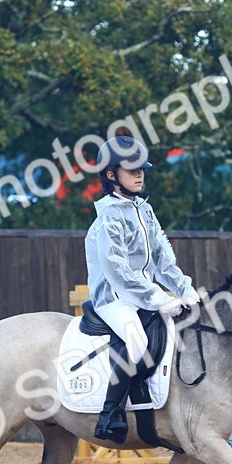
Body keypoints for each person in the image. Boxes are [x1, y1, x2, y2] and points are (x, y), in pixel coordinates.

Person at [84, 135, 201, 443]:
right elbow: (118, 271)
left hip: (143, 296)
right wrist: (159, 299)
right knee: (136, 339)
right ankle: (109, 416)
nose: (140, 175)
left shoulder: (144, 211)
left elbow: (164, 259)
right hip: (114, 299)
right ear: (111, 176)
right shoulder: (108, 216)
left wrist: (184, 288)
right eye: (131, 170)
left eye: (141, 169)